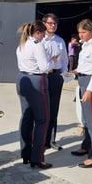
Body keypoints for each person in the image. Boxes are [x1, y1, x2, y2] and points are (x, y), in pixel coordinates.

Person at [16, 20, 53, 170]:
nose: (44, 37)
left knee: (26, 117)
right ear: (38, 33)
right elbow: (44, 67)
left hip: (23, 78)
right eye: (43, 34)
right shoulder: (37, 45)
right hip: (37, 80)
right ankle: (38, 158)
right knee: (42, 120)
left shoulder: (22, 44)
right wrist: (52, 62)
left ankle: (26, 153)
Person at [70, 19, 92, 168]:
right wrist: (75, 71)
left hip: (91, 84)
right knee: (86, 119)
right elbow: (85, 65)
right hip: (83, 80)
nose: (80, 35)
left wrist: (90, 90)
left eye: (83, 32)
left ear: (91, 31)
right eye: (79, 32)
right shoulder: (85, 45)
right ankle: (86, 146)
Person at [42, 13, 68, 150]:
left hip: (56, 77)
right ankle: (40, 139)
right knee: (41, 108)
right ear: (44, 24)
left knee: (54, 108)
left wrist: (63, 74)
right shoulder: (40, 40)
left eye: (55, 23)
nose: (53, 26)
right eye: (50, 23)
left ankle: (51, 139)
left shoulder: (60, 41)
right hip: (43, 76)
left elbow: (64, 60)